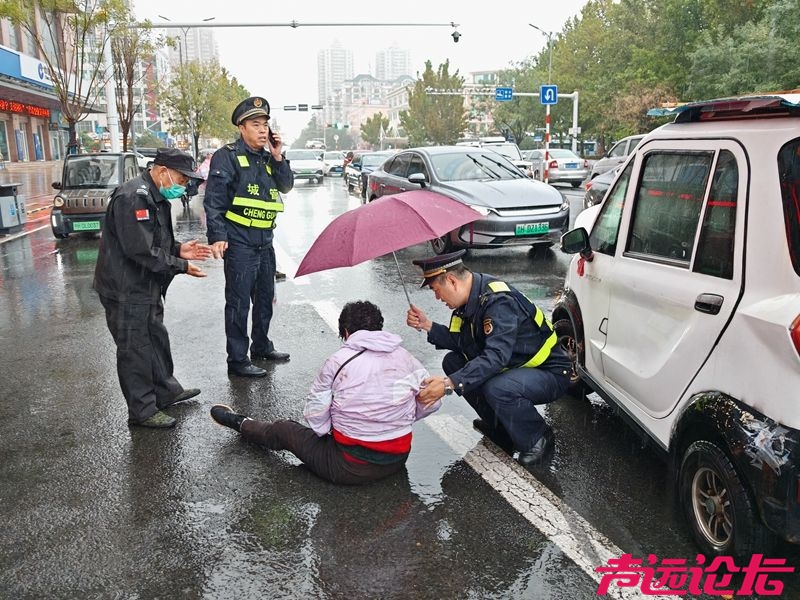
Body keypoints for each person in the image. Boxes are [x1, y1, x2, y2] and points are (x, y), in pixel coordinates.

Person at [210, 300, 440, 484]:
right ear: (379, 328)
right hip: (397, 461)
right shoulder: (406, 357)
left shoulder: (338, 362)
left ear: (346, 332)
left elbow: (316, 418)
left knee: (284, 429)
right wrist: (394, 418)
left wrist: (339, 430)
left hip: (349, 468)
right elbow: (430, 402)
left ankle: (238, 422)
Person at [406, 250, 572, 466]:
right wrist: (426, 324)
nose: (438, 298)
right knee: (453, 362)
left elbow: (495, 357)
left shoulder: (497, 301)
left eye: (437, 291)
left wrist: (448, 385)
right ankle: (501, 428)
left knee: (497, 387)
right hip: (517, 368)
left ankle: (537, 439)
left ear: (451, 281)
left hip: (551, 373)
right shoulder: (467, 304)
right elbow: (461, 342)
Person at [93, 147, 212, 429]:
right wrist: (180, 266)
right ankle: (142, 410)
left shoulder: (155, 195)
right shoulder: (134, 197)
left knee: (156, 338)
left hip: (145, 285)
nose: (184, 186)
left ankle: (166, 391)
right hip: (125, 289)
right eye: (182, 179)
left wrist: (179, 249)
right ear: (161, 171)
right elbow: (141, 250)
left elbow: (154, 240)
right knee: (135, 348)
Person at [204, 96, 295, 378]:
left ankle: (261, 346)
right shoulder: (227, 156)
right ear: (242, 127)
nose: (262, 130)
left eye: (265, 125)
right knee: (239, 302)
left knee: (265, 298)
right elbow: (214, 200)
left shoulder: (268, 158)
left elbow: (287, 185)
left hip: (265, 241)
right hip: (240, 242)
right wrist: (218, 236)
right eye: (256, 124)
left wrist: (278, 155)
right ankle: (237, 359)